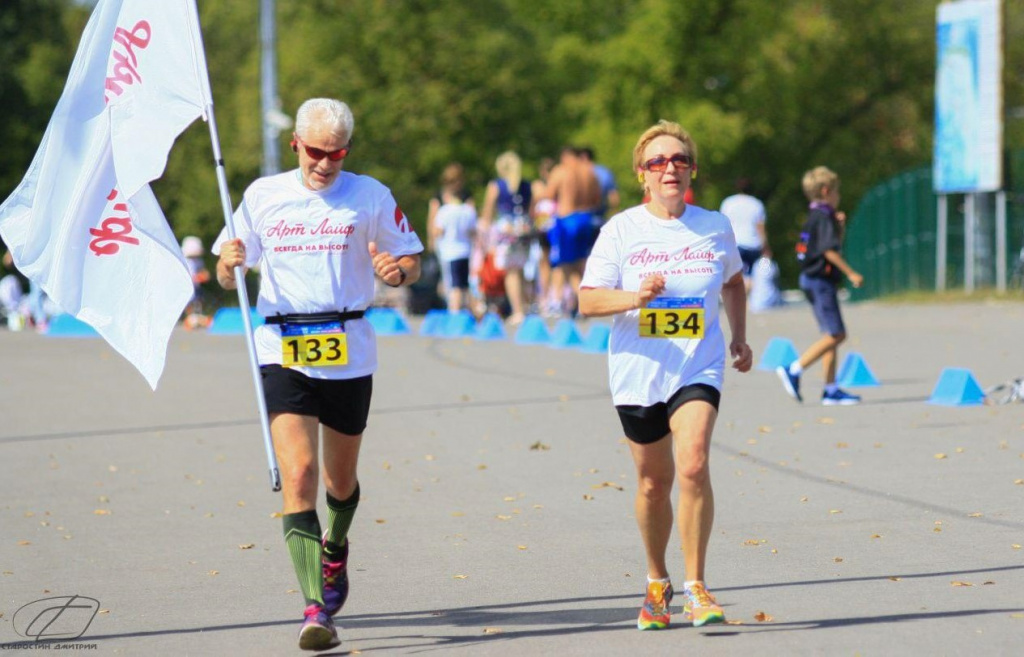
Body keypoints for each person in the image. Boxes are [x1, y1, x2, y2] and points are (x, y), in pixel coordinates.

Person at [214, 98, 423, 651]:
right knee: (300, 473)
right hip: (282, 345)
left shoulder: (370, 195)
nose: (325, 164)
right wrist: (228, 262)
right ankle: (314, 609)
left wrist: (396, 271)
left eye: (336, 153)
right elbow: (224, 265)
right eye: (315, 152)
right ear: (296, 146)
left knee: (339, 482)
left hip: (349, 347)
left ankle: (336, 547)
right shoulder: (263, 195)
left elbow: (410, 259)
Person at [578, 120, 752, 631]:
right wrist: (636, 297)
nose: (669, 168)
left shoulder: (715, 225)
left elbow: (735, 282)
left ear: (691, 169)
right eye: (657, 162)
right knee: (654, 482)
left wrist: (739, 335)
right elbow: (588, 300)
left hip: (698, 363)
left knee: (693, 463)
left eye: (678, 160)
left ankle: (697, 586)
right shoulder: (622, 230)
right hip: (639, 371)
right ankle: (658, 582)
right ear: (642, 175)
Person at [776, 166, 864, 406]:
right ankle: (794, 369)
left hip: (810, 278)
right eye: (837, 192)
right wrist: (851, 273)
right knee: (837, 334)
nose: (838, 196)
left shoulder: (814, 216)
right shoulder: (824, 216)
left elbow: (828, 244)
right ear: (826, 191)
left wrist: (841, 227)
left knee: (830, 335)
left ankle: (830, 389)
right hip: (820, 281)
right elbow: (828, 251)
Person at [543, 146, 602, 316]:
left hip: (567, 220)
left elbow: (549, 194)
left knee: (565, 264)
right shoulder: (590, 172)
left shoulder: (562, 171)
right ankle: (579, 302)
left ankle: (583, 300)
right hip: (586, 218)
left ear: (566, 156)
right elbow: (597, 199)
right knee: (582, 262)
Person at [480, 151, 533, 323]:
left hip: (506, 230)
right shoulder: (526, 185)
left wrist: (484, 234)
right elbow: (531, 208)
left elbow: (488, 210)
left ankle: (518, 310)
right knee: (521, 270)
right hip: (524, 227)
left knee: (511, 272)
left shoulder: (497, 185)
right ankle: (526, 306)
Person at [429, 163, 477, 312]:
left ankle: (455, 313)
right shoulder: (442, 199)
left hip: (451, 248)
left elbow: (436, 227)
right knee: (463, 283)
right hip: (461, 247)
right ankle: (467, 310)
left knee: (454, 283)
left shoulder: (450, 207)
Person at [719, 178, 769, 293]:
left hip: (735, 244)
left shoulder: (728, 202)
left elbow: (723, 224)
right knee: (750, 275)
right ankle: (747, 299)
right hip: (753, 244)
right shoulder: (757, 204)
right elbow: (760, 227)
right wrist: (765, 246)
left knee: (735, 274)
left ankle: (739, 299)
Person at [180, 235, 211, 329]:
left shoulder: (198, 261)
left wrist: (204, 275)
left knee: (199, 301)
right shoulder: (185, 261)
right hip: (187, 287)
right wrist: (198, 277)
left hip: (196, 287)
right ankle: (191, 319)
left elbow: (203, 272)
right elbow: (187, 276)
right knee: (189, 302)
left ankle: (196, 318)